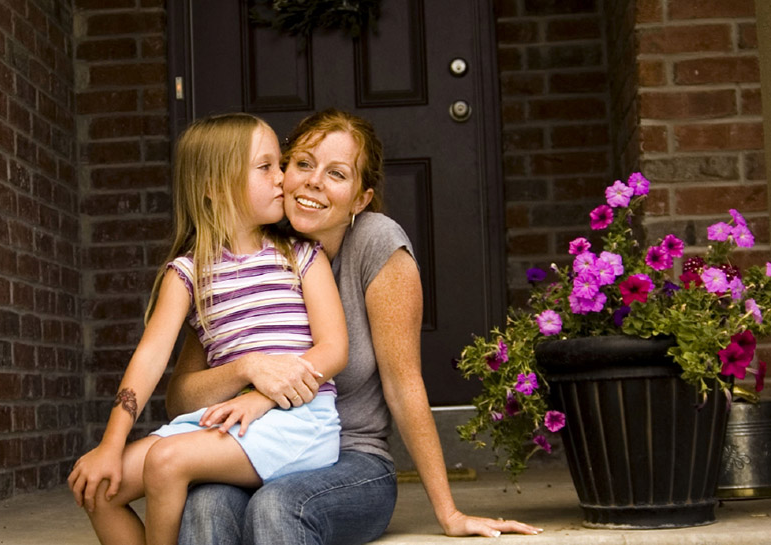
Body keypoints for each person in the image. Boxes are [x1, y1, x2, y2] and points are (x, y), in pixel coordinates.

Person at [167, 109, 544, 543]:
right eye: (303, 164)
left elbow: (404, 385)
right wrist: (245, 370)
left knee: (279, 505)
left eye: (337, 174)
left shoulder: (376, 245)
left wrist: (449, 512)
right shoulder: (241, 245)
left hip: (352, 461)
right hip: (250, 450)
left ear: (360, 199)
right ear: (280, 171)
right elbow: (180, 400)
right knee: (205, 505)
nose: (313, 182)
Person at [66, 112, 349, 545]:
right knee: (99, 487)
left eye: (281, 163)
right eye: (266, 166)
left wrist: (261, 397)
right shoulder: (187, 273)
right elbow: (150, 357)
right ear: (216, 187)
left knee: (166, 461)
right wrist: (110, 443)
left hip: (298, 422)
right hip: (220, 423)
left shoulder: (302, 256)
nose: (283, 178)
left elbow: (333, 351)